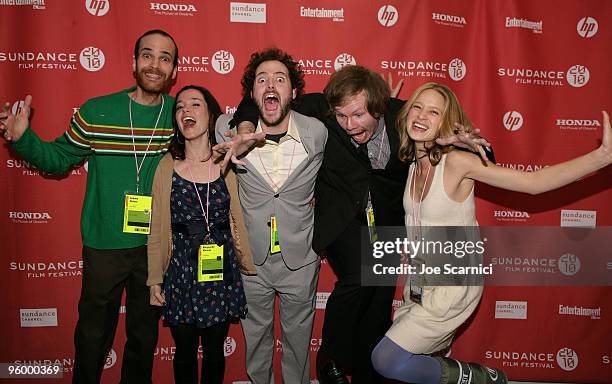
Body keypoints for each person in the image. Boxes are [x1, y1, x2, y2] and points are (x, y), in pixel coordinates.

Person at [224, 65, 491, 384]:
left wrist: (470, 144)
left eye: (359, 115)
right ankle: (331, 360)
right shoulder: (322, 106)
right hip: (341, 220)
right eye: (342, 116)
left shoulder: (402, 114)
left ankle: (371, 374)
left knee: (379, 300)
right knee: (359, 275)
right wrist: (242, 126)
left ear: (379, 107)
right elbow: (265, 100)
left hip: (388, 223)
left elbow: (479, 152)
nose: (349, 125)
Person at [370, 82, 612, 384]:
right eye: (417, 107)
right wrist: (386, 102)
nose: (422, 116)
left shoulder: (457, 163)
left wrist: (600, 157)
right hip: (421, 280)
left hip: (454, 281)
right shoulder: (413, 163)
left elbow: (532, 184)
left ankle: (477, 378)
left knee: (386, 360)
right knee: (422, 364)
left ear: (446, 123)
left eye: (434, 112)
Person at [1, 30, 178, 383]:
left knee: (143, 340)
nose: (154, 65)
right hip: (104, 245)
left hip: (156, 248)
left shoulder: (181, 114)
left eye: (164, 58)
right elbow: (59, 159)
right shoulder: (98, 111)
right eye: (147, 55)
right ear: (133, 62)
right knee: (93, 338)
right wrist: (24, 139)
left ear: (174, 70)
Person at [215, 48, 328, 384]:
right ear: (252, 94)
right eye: (261, 80)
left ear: (293, 92)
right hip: (252, 259)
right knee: (257, 341)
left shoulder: (316, 133)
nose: (270, 85)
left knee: (298, 343)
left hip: (300, 257)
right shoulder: (228, 131)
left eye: (280, 79)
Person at [147, 85, 250, 384]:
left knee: (215, 352)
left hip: (219, 270)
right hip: (180, 272)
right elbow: (156, 229)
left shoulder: (229, 162)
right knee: (185, 353)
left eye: (195, 105)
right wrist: (155, 278)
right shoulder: (167, 167)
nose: (186, 111)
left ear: (211, 115)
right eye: (179, 107)